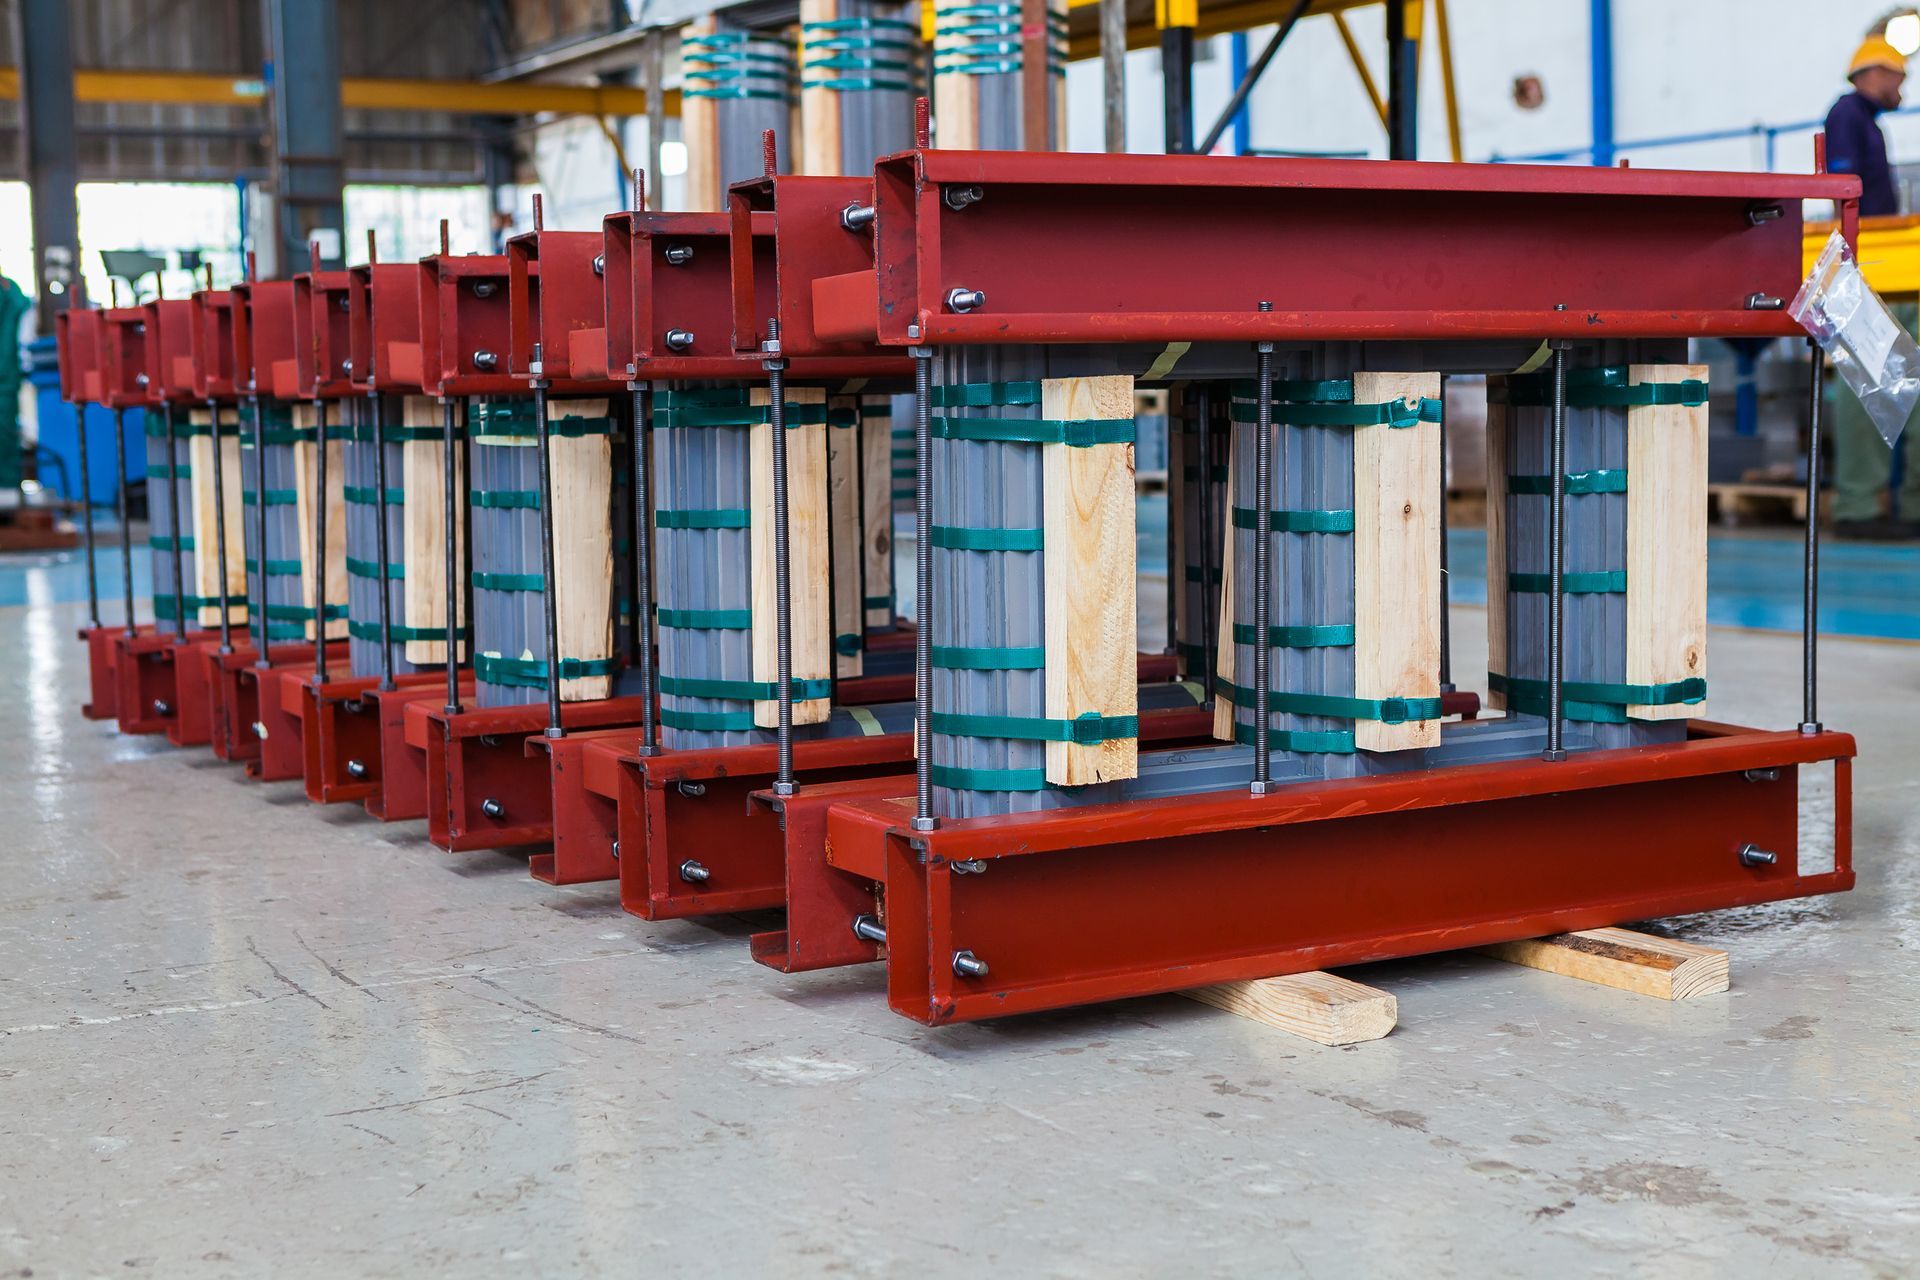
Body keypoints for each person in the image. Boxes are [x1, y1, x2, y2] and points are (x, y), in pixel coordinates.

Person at [1826, 35, 1920, 538]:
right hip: (1867, 267)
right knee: (1868, 380)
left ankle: (1895, 502)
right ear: (1872, 74)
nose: (1902, 87)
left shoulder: (1866, 123)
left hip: (1885, 265)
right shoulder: (1846, 115)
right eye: (1898, 78)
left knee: (1898, 378)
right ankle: (1858, 507)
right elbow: (1844, 195)